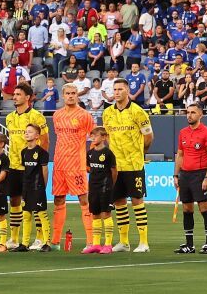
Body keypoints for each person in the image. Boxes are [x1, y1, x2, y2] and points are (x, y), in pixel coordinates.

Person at [103, 78, 153, 252]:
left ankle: (143, 242)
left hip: (134, 164)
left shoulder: (138, 112)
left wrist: (139, 152)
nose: (116, 92)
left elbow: (148, 137)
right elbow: (107, 137)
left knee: (137, 201)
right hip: (116, 166)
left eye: (120, 89)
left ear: (127, 91)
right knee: (119, 202)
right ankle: (124, 242)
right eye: (114, 89)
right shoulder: (107, 113)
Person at [4, 84, 47, 251]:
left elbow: (44, 141)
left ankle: (40, 237)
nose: (14, 97)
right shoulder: (9, 118)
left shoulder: (37, 117)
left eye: (18, 94)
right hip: (14, 165)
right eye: (14, 94)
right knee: (14, 200)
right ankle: (14, 237)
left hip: (31, 168)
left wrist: (40, 163)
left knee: (33, 203)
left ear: (27, 97)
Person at [53, 83, 97, 249]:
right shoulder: (57, 115)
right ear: (63, 96)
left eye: (73, 93)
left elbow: (94, 138)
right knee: (58, 199)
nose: (71, 96)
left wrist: (89, 158)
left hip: (76, 164)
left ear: (77, 95)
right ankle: (56, 241)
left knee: (84, 199)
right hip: (59, 164)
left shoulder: (84, 115)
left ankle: (91, 240)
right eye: (68, 93)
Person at [175, 104, 207, 254]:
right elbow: (180, 155)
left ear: (200, 115)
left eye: (193, 112)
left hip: (200, 175)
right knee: (187, 209)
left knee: (204, 208)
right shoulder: (183, 133)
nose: (189, 115)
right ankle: (189, 245)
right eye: (188, 112)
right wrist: (176, 175)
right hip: (185, 175)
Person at [19, 124, 53, 252]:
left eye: (30, 132)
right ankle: (24, 243)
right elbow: (26, 170)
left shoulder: (42, 152)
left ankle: (47, 243)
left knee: (41, 214)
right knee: (26, 214)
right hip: (26, 188)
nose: (27, 134)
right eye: (26, 131)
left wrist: (42, 187)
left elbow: (45, 171)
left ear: (37, 136)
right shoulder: (24, 152)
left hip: (37, 187)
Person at [84, 128, 117, 254]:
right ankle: (96, 244)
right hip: (93, 187)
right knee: (95, 214)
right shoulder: (90, 153)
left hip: (105, 187)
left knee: (106, 214)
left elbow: (114, 171)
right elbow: (90, 170)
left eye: (96, 135)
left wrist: (110, 185)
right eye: (92, 135)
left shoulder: (108, 153)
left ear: (103, 137)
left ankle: (108, 244)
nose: (93, 137)